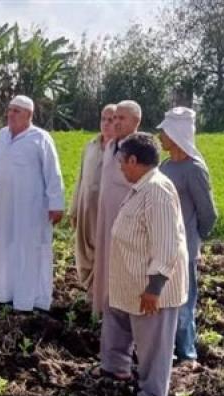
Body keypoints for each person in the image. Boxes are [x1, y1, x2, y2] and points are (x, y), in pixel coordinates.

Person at [105, 132, 189, 396]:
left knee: (153, 348)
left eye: (121, 161)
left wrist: (154, 288)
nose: (119, 166)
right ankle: (119, 373)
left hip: (151, 290)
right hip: (131, 282)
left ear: (133, 159)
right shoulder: (142, 186)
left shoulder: (157, 190)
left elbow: (167, 244)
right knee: (126, 331)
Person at [0, 95, 64, 312]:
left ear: (29, 115)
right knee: (4, 246)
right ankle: (4, 291)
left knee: (29, 251)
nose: (11, 114)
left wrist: (56, 204)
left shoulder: (40, 138)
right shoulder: (2, 135)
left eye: (17, 111)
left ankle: (30, 300)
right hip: (5, 207)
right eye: (10, 110)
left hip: (32, 209)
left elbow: (53, 173)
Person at [158, 107, 218, 367]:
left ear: (176, 134)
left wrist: (194, 239)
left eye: (164, 132)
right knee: (162, 302)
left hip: (184, 249)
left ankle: (187, 354)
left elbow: (208, 214)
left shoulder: (194, 169)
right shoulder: (165, 166)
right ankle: (165, 351)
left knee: (183, 304)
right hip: (162, 246)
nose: (160, 137)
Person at [91, 100, 142, 314]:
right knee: (104, 263)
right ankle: (103, 310)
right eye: (114, 118)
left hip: (127, 222)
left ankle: (121, 314)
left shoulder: (140, 148)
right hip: (106, 218)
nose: (116, 122)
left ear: (136, 121)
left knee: (123, 267)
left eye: (122, 118)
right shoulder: (112, 146)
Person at [69, 104, 118, 296]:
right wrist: (74, 209)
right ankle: (91, 292)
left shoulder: (121, 150)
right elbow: (81, 178)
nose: (106, 124)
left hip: (107, 212)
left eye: (112, 120)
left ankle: (101, 298)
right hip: (86, 210)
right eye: (103, 119)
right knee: (85, 254)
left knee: (105, 254)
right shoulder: (90, 146)